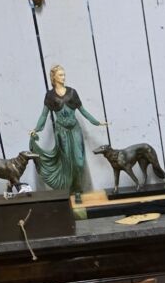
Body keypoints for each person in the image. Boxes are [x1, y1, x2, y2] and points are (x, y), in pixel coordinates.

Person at [30, 64, 108, 203]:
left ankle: (78, 188)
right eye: (60, 75)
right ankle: (72, 191)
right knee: (67, 162)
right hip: (61, 132)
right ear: (54, 77)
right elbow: (44, 115)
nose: (63, 77)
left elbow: (82, 110)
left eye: (64, 74)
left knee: (78, 161)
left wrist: (96, 122)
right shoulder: (50, 95)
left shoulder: (72, 92)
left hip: (75, 130)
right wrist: (36, 129)